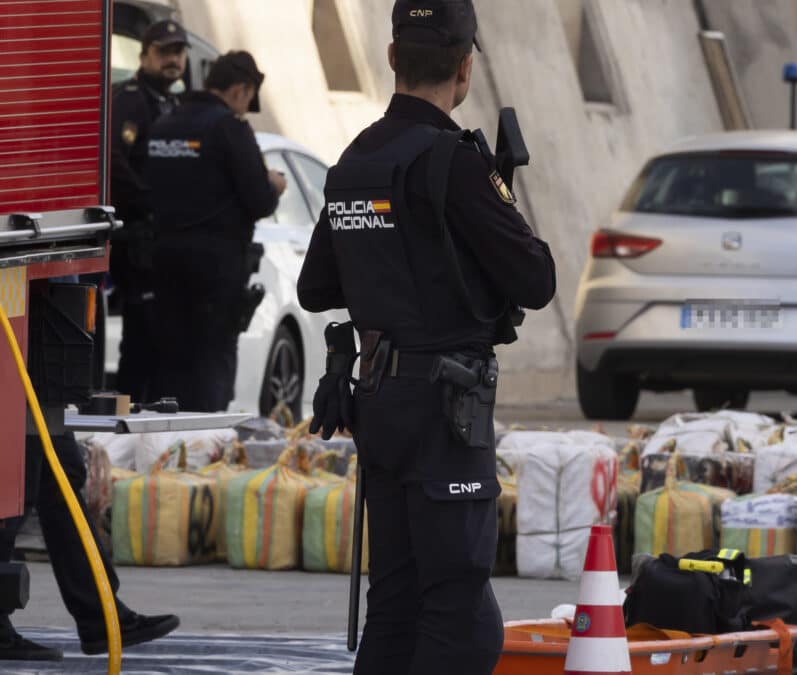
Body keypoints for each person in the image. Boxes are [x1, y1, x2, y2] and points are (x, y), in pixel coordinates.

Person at [296, 1, 556, 672]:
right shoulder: (455, 163)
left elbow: (316, 288)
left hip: (379, 402)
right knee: (460, 616)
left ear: (391, 57)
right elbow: (535, 279)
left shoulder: (355, 161)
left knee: (396, 605)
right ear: (465, 67)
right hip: (446, 412)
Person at [145, 51, 286, 412]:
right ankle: (204, 446)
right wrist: (275, 185)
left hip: (163, 261)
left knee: (169, 363)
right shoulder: (228, 128)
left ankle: (166, 448)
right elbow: (259, 201)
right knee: (211, 362)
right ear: (241, 90)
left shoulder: (165, 122)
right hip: (216, 269)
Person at [0, 433, 179, 661]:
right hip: (15, 405)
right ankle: (99, 615)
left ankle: (101, 615)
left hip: (39, 403)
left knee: (61, 475)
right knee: (19, 480)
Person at [108, 19, 191, 403]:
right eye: (164, 52)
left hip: (164, 239)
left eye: (179, 52)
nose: (173, 60)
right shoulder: (130, 98)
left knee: (162, 342)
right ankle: (130, 412)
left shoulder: (174, 103)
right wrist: (153, 205)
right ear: (144, 56)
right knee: (141, 340)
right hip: (138, 235)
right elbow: (115, 163)